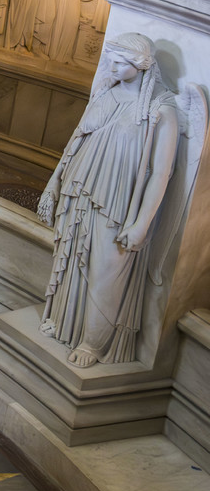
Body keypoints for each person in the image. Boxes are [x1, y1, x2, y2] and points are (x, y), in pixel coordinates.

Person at [38, 34, 178, 367]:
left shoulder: (160, 111)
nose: (110, 67)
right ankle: (66, 323)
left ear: (141, 65)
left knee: (105, 272)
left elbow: (162, 174)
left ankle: (94, 344)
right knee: (73, 259)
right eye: (111, 60)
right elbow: (75, 141)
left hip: (117, 204)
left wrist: (141, 223)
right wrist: (52, 185)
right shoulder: (105, 93)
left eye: (118, 62)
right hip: (81, 192)